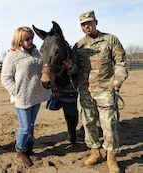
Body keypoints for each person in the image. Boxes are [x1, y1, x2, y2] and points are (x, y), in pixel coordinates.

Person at [73, 10, 129, 173]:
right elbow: (75, 70)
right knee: (88, 124)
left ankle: (111, 157)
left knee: (109, 125)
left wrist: (117, 82)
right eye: (83, 24)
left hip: (106, 90)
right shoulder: (78, 45)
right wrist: (70, 67)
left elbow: (121, 63)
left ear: (96, 22)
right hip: (85, 92)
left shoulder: (110, 40)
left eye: (89, 23)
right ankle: (95, 152)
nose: (86, 26)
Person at [1, 26, 50, 167]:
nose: (30, 40)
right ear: (19, 41)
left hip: (36, 95)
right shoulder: (12, 56)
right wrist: (15, 91)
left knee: (32, 124)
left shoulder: (36, 52)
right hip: (21, 97)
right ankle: (20, 151)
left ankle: (29, 149)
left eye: (32, 37)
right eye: (27, 38)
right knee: (25, 126)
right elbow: (5, 78)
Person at [46, 55, 79, 145]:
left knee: (72, 109)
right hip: (58, 83)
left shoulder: (71, 53)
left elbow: (77, 67)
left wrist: (71, 67)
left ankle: (72, 132)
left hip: (72, 83)